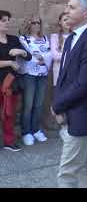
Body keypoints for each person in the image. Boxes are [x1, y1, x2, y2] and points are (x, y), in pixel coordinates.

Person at [53, 0, 87, 188]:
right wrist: (59, 104)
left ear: (86, 13)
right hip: (72, 111)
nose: (66, 10)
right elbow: (64, 77)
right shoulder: (70, 38)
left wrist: (58, 105)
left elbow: (84, 84)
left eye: (72, 7)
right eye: (67, 6)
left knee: (66, 174)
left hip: (83, 114)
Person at [0, 10, 32, 152]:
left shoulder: (13, 39)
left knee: (9, 113)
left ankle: (9, 141)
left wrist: (21, 52)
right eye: (3, 20)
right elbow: (10, 63)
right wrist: (10, 63)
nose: (7, 23)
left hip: (10, 83)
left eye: (8, 20)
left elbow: (29, 57)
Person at [18, 16, 53, 146]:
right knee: (28, 105)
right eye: (33, 22)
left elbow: (50, 55)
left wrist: (41, 56)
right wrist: (40, 57)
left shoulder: (45, 39)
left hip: (42, 74)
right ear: (29, 24)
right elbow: (27, 55)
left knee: (38, 104)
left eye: (39, 22)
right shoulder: (24, 39)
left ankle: (35, 129)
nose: (36, 25)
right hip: (30, 75)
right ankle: (26, 132)